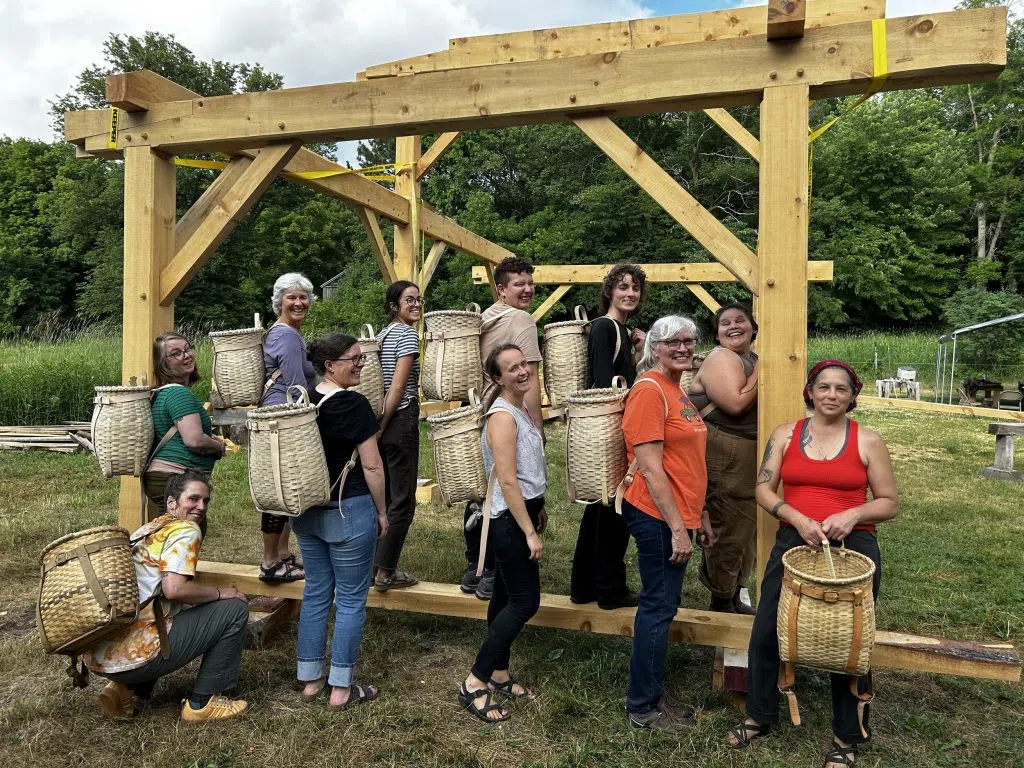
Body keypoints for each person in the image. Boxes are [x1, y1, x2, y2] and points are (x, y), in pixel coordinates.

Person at [727, 360, 899, 768]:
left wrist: (853, 514)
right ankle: (760, 714)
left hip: (852, 548)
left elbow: (890, 502)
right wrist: (796, 516)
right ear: (811, 391)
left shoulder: (867, 440)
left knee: (847, 641)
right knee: (769, 627)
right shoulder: (785, 434)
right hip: (795, 541)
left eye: (841, 389)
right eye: (824, 387)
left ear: (852, 396)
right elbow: (762, 489)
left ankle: (847, 735)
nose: (832, 395)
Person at [87, 470, 250, 723]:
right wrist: (221, 593)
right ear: (172, 503)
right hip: (138, 655)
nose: (201, 506)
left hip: (104, 652)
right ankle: (202, 703)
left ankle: (121, 689)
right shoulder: (186, 530)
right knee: (233, 608)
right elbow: (174, 589)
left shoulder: (149, 528)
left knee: (167, 613)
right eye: (193, 499)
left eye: (206, 501)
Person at [620, 315, 715, 733]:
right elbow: (652, 469)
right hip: (657, 513)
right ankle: (643, 705)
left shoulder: (677, 390)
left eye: (689, 341)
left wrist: (701, 516)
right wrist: (679, 528)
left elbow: (688, 463)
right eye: (673, 341)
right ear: (654, 348)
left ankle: (654, 690)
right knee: (658, 607)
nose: (683, 348)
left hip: (678, 513)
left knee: (664, 604)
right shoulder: (648, 390)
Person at [295, 333, 388, 711]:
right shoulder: (353, 404)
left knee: (316, 591)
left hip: (306, 512)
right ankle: (341, 688)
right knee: (350, 599)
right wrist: (382, 511)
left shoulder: (305, 400)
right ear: (331, 365)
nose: (362, 363)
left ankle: (311, 679)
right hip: (348, 508)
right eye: (354, 358)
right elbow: (372, 464)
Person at [458, 344, 546, 722]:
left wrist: (538, 510)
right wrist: (529, 531)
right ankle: (475, 682)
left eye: (523, 363)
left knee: (506, 595)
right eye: (512, 369)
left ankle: (498, 672)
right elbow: (508, 481)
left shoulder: (519, 408)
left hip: (520, 514)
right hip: (509, 523)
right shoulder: (502, 418)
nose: (522, 371)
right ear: (497, 378)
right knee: (525, 602)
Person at [462, 257, 544, 601]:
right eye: (518, 284)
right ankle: (496, 571)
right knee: (511, 488)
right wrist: (536, 427)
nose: (527, 290)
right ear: (501, 289)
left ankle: (474, 566)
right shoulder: (521, 319)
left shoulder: (482, 319)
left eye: (530, 283)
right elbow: (531, 378)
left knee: (483, 491)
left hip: (477, 413)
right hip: (509, 412)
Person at [570, 263, 647, 610]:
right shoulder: (605, 328)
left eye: (635, 288)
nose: (630, 293)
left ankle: (584, 586)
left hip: (613, 425)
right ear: (609, 292)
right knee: (617, 510)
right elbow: (604, 385)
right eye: (623, 287)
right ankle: (610, 589)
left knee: (600, 510)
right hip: (611, 428)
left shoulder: (620, 328)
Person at [688, 303, 760, 614]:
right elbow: (734, 403)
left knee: (743, 527)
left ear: (753, 327)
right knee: (727, 525)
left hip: (742, 455)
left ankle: (732, 592)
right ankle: (721, 599)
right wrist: (766, 366)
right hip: (723, 455)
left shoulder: (749, 359)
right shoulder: (723, 358)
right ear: (717, 335)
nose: (733, 326)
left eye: (740, 320)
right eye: (724, 323)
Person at [259, 272, 317, 584]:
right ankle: (270, 561)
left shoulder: (287, 333)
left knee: (284, 488)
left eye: (303, 297)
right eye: (291, 297)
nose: (298, 302)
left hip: (278, 418)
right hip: (284, 419)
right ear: (279, 301)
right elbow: (297, 387)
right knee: (279, 490)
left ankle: (281, 554)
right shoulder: (287, 336)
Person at [373, 280, 423, 592]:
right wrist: (385, 422)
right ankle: (385, 572)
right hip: (399, 418)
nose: (416, 304)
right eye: (409, 300)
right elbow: (398, 385)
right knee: (402, 500)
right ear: (394, 306)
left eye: (419, 299)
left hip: (384, 419)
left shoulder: (382, 335)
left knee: (386, 497)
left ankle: (373, 565)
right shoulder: (405, 334)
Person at [143, 333, 226, 516]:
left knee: (173, 536)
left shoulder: (163, 393)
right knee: (186, 538)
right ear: (163, 364)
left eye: (187, 349)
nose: (186, 355)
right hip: (176, 478)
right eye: (176, 353)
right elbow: (194, 440)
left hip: (168, 478)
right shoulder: (179, 394)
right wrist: (218, 445)